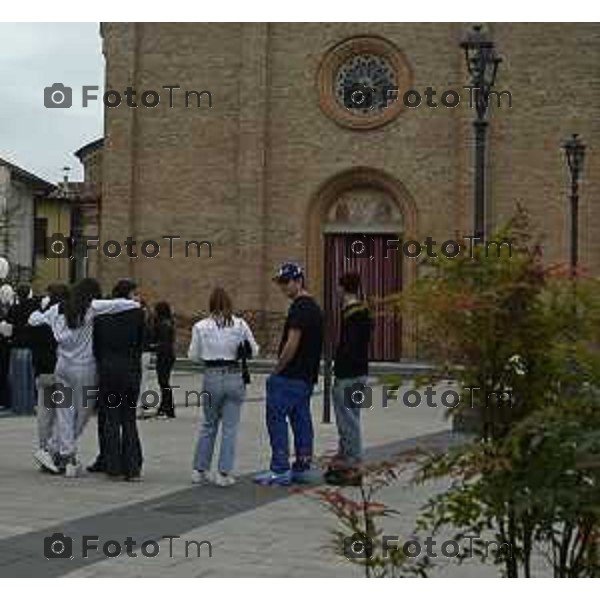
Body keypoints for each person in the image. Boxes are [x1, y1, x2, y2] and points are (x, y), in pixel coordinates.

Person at [28, 278, 139, 476]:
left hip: (61, 367)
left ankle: (60, 453)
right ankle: (61, 453)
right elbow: (120, 304)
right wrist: (135, 303)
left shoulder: (57, 310)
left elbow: (34, 319)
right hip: (85, 369)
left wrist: (39, 309)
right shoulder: (91, 307)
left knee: (65, 412)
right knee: (82, 415)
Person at [254, 263, 323, 486]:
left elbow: (292, 343)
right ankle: (303, 466)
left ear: (299, 280)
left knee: (276, 418)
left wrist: (277, 370)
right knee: (301, 419)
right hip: (306, 376)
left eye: (286, 282)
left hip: (290, 375)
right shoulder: (315, 308)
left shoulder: (299, 308)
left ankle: (280, 468)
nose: (283, 287)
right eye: (280, 283)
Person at [188, 287, 259, 487]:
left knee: (208, 424)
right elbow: (254, 350)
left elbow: (193, 355)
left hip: (211, 375)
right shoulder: (240, 324)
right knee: (230, 427)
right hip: (234, 376)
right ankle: (223, 473)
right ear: (229, 304)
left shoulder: (200, 326)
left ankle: (199, 470)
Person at [92, 279, 145, 481]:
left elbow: (96, 348)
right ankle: (133, 469)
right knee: (129, 420)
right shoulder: (138, 314)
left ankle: (113, 467)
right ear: (127, 294)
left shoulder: (101, 316)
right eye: (134, 293)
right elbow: (141, 344)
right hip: (130, 371)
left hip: (108, 372)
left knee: (111, 419)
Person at [325, 272, 373, 486]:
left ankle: (354, 464)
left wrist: (339, 366)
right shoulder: (364, 311)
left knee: (348, 421)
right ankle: (345, 458)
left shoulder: (352, 314)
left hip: (348, 374)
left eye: (339, 287)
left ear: (342, 288)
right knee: (352, 418)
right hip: (361, 371)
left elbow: (349, 346)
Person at [30, 283, 68, 473]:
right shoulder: (67, 318)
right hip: (62, 372)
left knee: (45, 415)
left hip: (44, 372)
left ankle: (44, 450)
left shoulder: (40, 318)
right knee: (63, 415)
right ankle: (60, 453)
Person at [6, 284, 37, 414]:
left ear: (18, 295)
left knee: (18, 378)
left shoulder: (14, 309)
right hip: (32, 346)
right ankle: (30, 405)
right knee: (31, 378)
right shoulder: (35, 308)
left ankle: (19, 406)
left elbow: (8, 326)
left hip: (18, 345)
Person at [154, 301, 177, 419]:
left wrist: (155, 346)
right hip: (169, 355)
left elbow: (163, 342)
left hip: (164, 355)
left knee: (163, 382)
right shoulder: (169, 322)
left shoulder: (163, 324)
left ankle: (167, 408)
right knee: (164, 382)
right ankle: (166, 407)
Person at [0, 284, 15, 410]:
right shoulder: (13, 307)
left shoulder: (14, 308)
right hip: (7, 344)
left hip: (6, 345)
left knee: (5, 373)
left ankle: (6, 400)